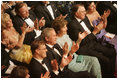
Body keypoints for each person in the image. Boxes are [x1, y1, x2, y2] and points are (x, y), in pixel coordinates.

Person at [67, 4, 116, 77]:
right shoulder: (72, 25)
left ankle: (111, 74)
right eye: (83, 11)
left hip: (93, 43)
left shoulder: (85, 18)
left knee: (112, 52)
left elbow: (92, 30)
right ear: (76, 14)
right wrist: (95, 32)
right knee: (105, 60)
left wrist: (98, 27)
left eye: (84, 11)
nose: (85, 13)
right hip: (84, 48)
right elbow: (82, 42)